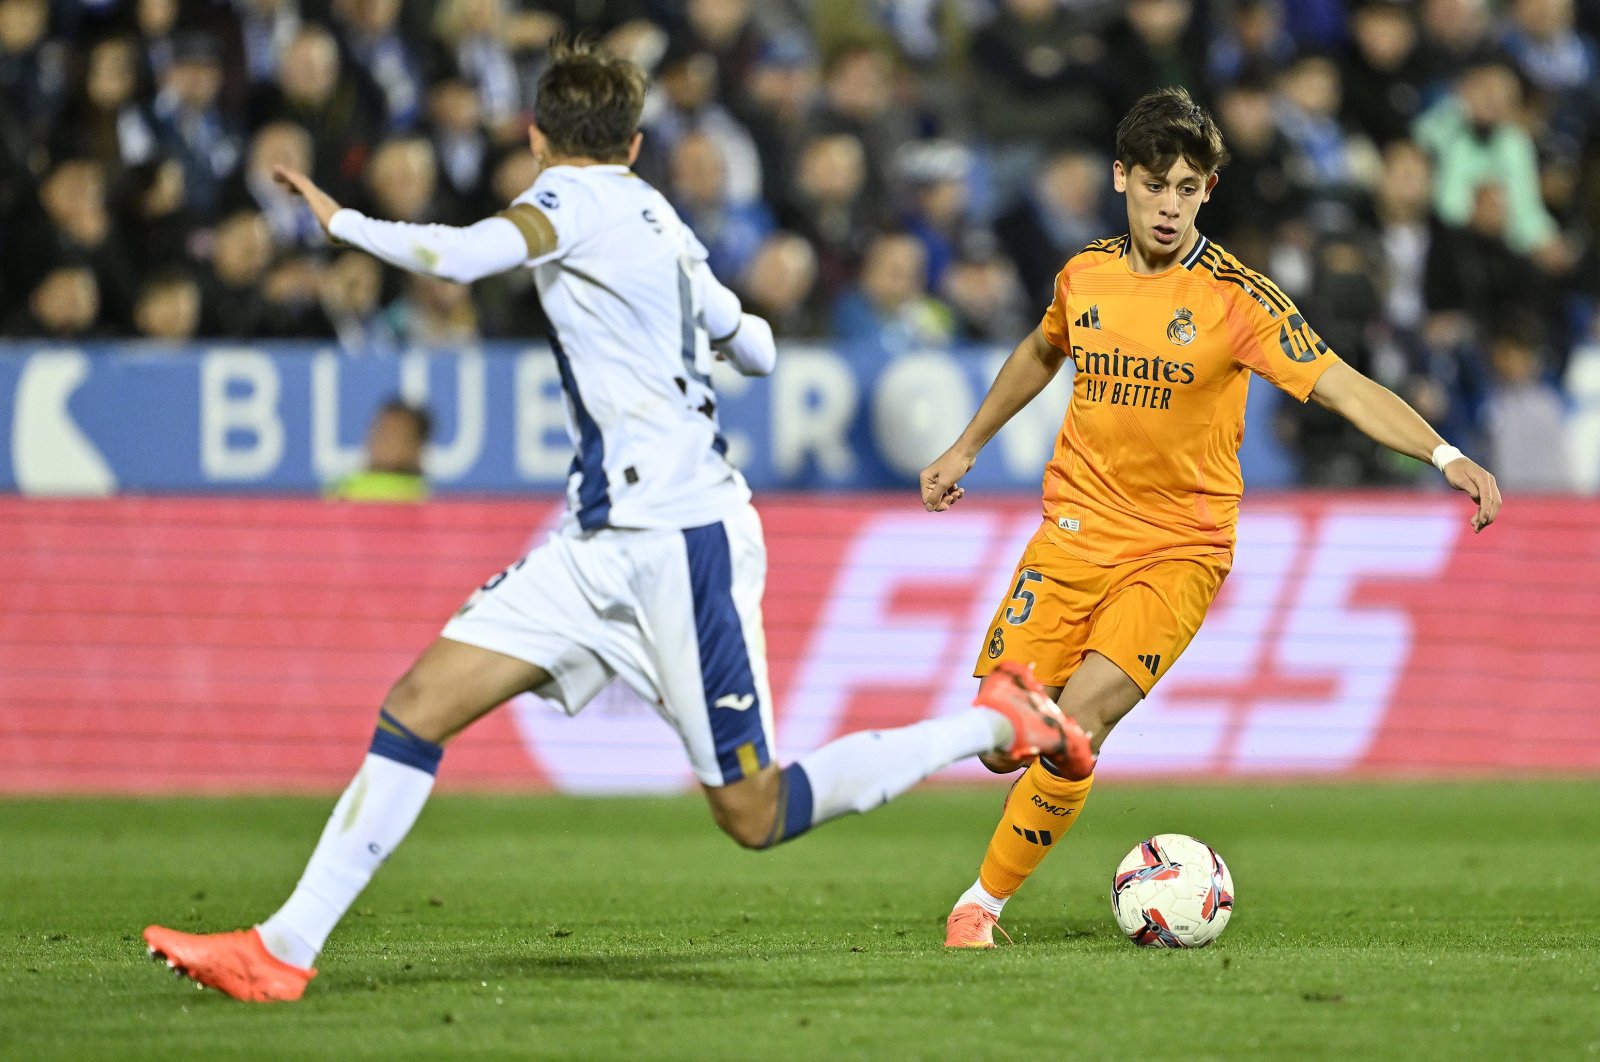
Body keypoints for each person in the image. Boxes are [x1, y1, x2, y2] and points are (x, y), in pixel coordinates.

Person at [142, 40, 1076, 1002]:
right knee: (418, 706)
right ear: (634, 143)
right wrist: (711, 340)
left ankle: (989, 724)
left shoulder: (566, 202)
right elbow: (749, 342)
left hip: (678, 543)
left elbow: (459, 257)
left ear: (536, 135)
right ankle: (283, 949)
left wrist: (344, 222)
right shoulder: (662, 220)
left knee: (754, 812)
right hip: (599, 542)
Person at [920, 87, 1501, 949]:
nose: (1169, 205)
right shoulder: (1084, 276)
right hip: (1074, 532)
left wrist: (1445, 455)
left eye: (1189, 188)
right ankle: (1014, 782)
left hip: (1179, 550)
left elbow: (1339, 381)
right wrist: (966, 446)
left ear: (1209, 190)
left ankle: (979, 906)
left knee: (1076, 728)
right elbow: (1044, 347)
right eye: (1155, 184)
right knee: (1002, 743)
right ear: (1121, 178)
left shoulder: (1237, 297)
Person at [326, 398, 432, 502]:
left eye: (395, 435)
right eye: (381, 431)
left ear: (417, 446)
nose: (384, 441)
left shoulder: (422, 498)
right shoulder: (339, 491)